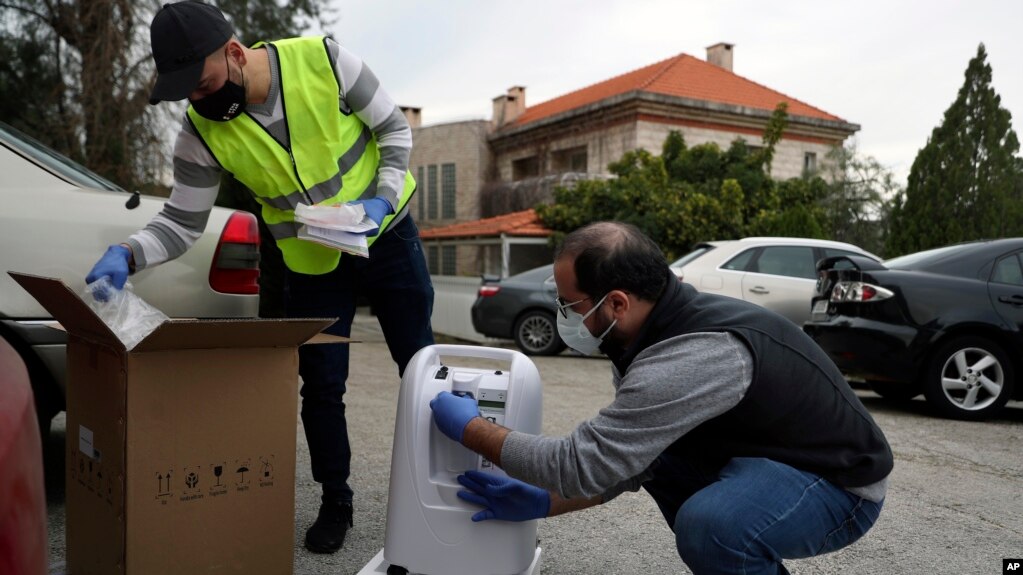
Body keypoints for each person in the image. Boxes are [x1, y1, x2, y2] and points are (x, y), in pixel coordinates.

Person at [86, 0, 434, 555]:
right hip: (312, 263)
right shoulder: (200, 132)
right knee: (321, 387)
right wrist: (128, 254)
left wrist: (381, 199)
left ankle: (438, 489)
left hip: (387, 235)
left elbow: (394, 130)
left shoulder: (325, 60)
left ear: (233, 51)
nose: (198, 99)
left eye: (202, 83)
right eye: (187, 93)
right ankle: (335, 499)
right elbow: (181, 221)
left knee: (421, 369)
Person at [430, 221, 892, 575]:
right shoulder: (646, 336)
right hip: (769, 458)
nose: (565, 317)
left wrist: (471, 429)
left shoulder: (693, 356)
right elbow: (627, 460)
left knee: (711, 526)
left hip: (838, 485)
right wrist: (546, 502)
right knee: (664, 464)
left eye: (571, 305)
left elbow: (579, 463)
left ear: (616, 303)